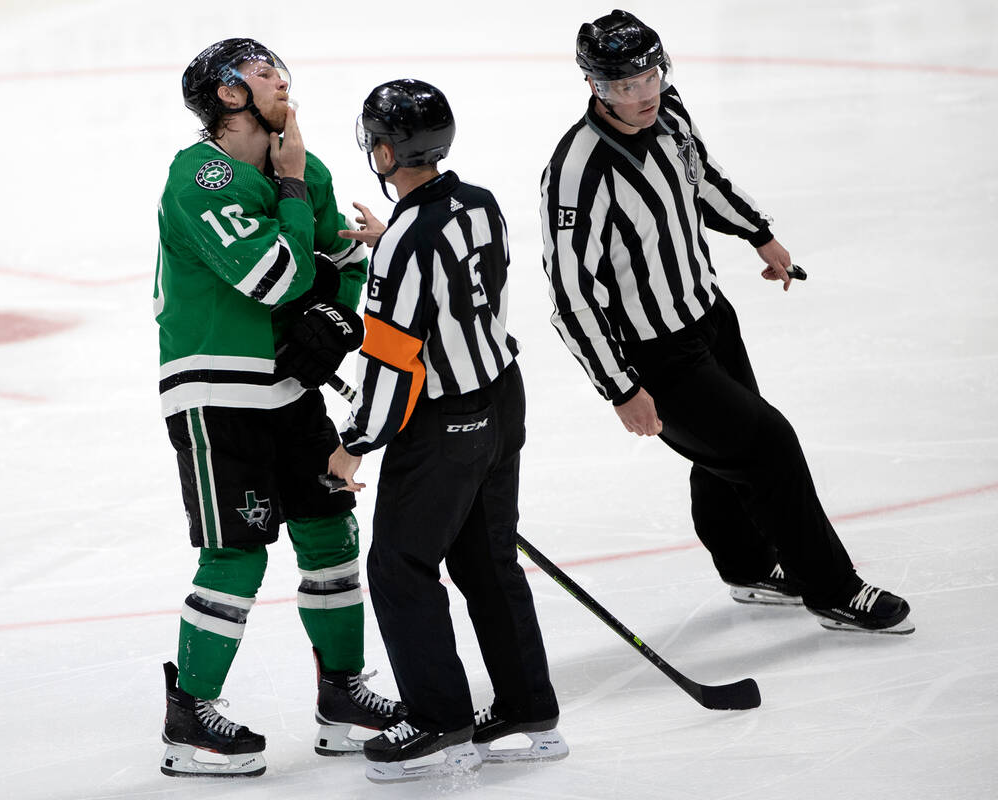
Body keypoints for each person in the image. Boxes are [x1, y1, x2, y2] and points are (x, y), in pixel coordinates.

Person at [540, 10, 913, 634]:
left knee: (732, 450)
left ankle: (745, 565)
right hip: (658, 355)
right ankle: (833, 590)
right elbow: (571, 298)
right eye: (625, 85)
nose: (643, 94)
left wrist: (758, 234)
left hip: (710, 318)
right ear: (594, 87)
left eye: (651, 75)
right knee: (769, 446)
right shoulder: (578, 172)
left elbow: (701, 180)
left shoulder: (670, 112)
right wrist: (621, 387)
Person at [152, 37, 405, 778]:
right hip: (216, 388)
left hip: (286, 389)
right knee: (235, 551)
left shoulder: (308, 167)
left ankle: (343, 697)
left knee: (330, 531)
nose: (280, 79)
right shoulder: (201, 174)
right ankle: (188, 719)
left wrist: (340, 323)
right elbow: (278, 278)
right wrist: (294, 205)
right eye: (261, 72)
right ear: (229, 96)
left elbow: (348, 261)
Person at [328, 79, 567, 784]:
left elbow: (392, 363)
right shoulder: (479, 203)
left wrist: (353, 444)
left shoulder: (406, 243)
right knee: (487, 560)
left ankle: (437, 720)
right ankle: (528, 705)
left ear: (382, 151)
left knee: (399, 567)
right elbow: (460, 281)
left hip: (445, 424)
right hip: (502, 401)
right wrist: (392, 239)